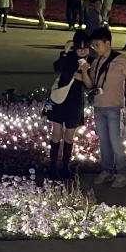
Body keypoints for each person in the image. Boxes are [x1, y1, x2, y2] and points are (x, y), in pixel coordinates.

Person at [89, 26, 126, 188]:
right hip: (99, 106)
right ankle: (107, 170)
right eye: (93, 45)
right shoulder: (95, 62)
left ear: (107, 43)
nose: (94, 48)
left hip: (115, 107)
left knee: (116, 142)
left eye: (97, 44)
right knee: (104, 141)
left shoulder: (121, 59)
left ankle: (122, 173)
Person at [46, 32, 93, 180]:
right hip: (60, 101)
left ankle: (65, 167)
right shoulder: (69, 57)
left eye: (86, 47)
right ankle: (53, 168)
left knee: (69, 136)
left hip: (75, 102)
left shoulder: (90, 61)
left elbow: (90, 84)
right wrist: (65, 52)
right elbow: (57, 67)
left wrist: (84, 73)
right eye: (79, 48)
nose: (83, 51)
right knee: (56, 133)